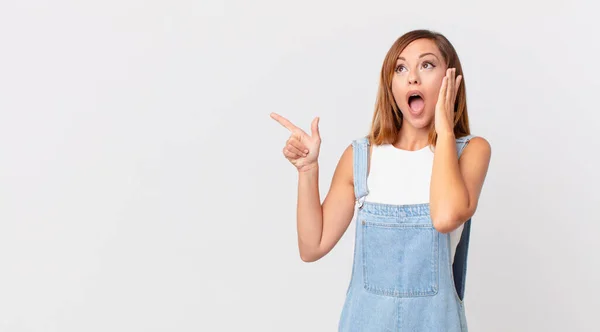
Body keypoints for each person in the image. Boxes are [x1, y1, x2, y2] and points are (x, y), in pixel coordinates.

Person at [270, 29, 491, 331]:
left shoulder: (471, 152)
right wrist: (307, 171)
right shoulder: (362, 157)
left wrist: (445, 127)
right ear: (391, 85)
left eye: (426, 65)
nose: (412, 77)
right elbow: (312, 246)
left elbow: (444, 217)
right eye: (401, 68)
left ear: (450, 79)